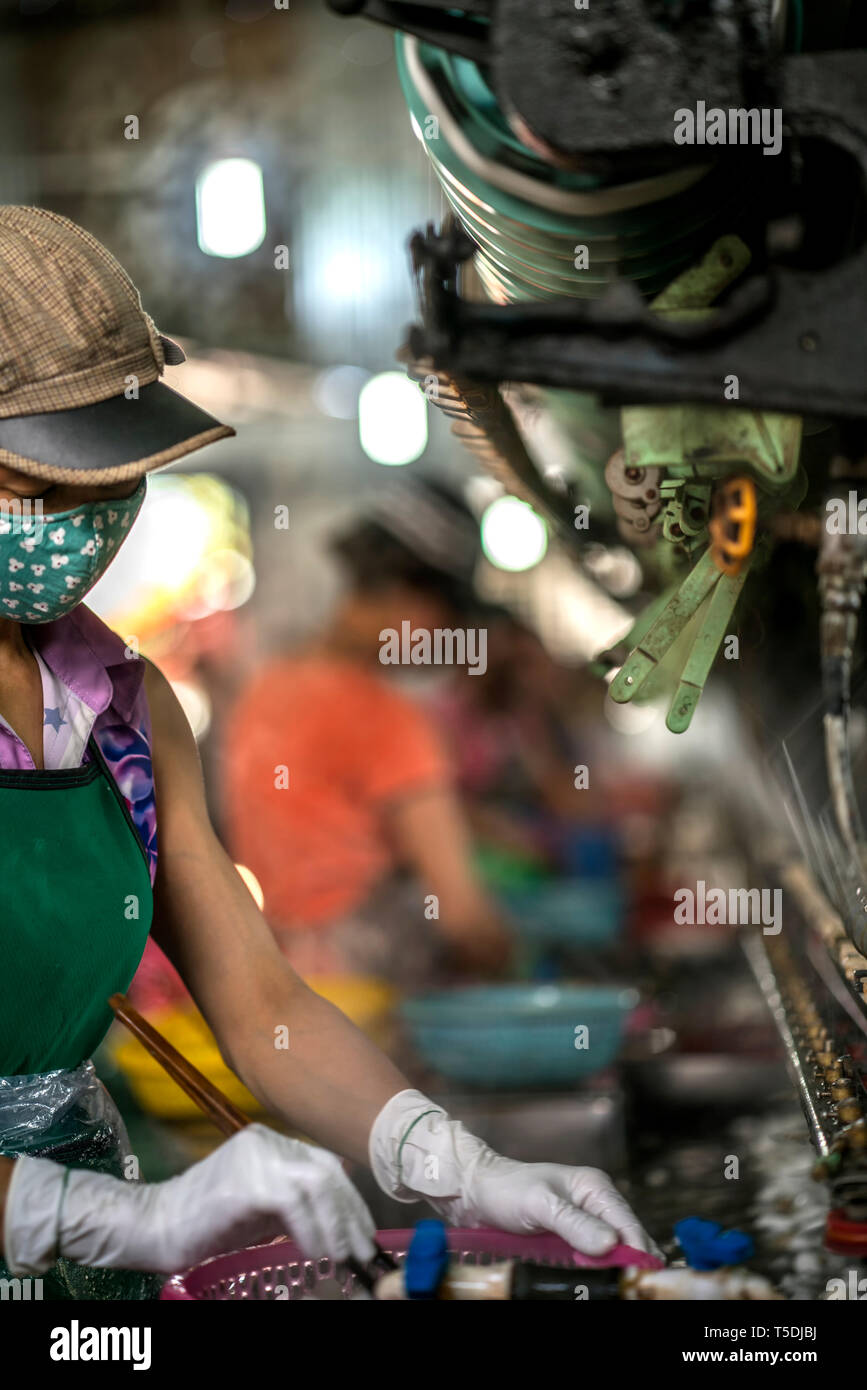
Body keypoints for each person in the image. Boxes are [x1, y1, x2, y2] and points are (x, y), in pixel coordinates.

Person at [0, 206, 656, 1298]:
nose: (87, 518)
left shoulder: (119, 706)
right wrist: (103, 1212)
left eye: (114, 482)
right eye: (41, 483)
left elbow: (263, 1005)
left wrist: (458, 1165)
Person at [223, 482, 511, 986]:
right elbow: (464, 918)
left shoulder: (265, 689)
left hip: (278, 981)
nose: (444, 638)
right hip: (368, 992)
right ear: (405, 594)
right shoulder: (388, 717)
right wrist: (519, 965)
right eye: (444, 620)